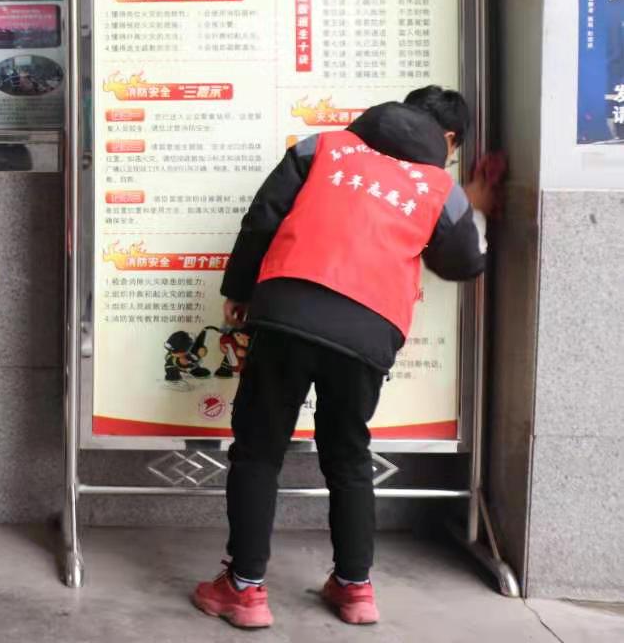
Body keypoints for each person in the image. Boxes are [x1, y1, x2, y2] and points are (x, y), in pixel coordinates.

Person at [191, 86, 498, 630]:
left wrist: (239, 290)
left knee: (259, 450)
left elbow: (263, 217)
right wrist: (471, 208)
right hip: (368, 333)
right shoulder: (438, 188)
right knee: (349, 455)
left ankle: (243, 590)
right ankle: (355, 588)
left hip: (288, 312)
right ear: (449, 139)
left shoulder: (323, 147)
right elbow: (464, 264)